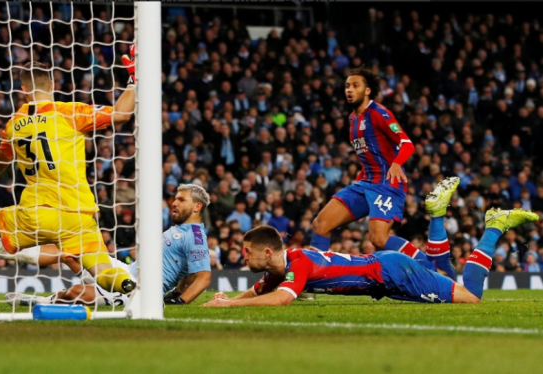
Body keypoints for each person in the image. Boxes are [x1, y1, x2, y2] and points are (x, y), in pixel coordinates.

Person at [0, 49, 137, 307]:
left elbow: (1, 160)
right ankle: (128, 285)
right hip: (77, 213)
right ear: (54, 84)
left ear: (23, 89)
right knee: (100, 267)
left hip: (36, 213)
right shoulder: (70, 112)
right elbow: (122, 115)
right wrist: (134, 82)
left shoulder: (14, 123)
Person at [203, 178, 539, 307]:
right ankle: (442, 216)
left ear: (266, 252)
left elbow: (280, 300)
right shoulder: (285, 263)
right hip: (385, 270)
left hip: (391, 272)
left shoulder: (298, 263)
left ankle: (492, 228)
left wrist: (230, 306)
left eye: (246, 252)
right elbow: (261, 290)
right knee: (447, 276)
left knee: (473, 299)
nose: (241, 256)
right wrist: (225, 299)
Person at [310, 66, 456, 278]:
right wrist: (360, 178)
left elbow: (406, 143)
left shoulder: (379, 113)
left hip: (388, 182)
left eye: (355, 85)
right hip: (365, 183)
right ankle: (313, 278)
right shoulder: (352, 119)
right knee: (320, 224)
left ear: (367, 90)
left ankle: (431, 269)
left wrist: (396, 163)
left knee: (378, 239)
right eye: (347, 86)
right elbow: (369, 156)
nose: (349, 90)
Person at [5, 184, 212, 306]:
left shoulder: (195, 235)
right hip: (125, 271)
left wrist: (180, 301)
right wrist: (177, 291)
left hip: (137, 289)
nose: (174, 203)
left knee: (75, 293)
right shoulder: (182, 230)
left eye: (181, 200)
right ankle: (8, 251)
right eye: (175, 199)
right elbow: (189, 270)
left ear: (197, 206)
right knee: (71, 251)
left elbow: (203, 276)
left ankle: (36, 301)